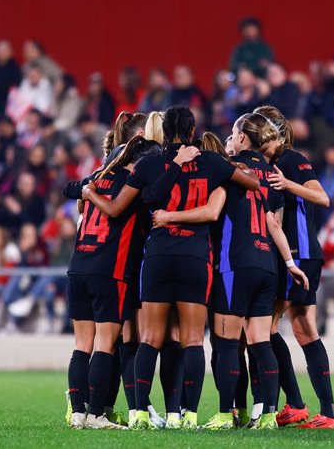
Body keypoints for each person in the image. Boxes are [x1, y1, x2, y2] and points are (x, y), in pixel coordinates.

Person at [81, 106, 259, 430]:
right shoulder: (210, 162)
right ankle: (187, 415)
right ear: (192, 130)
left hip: (158, 255)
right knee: (191, 340)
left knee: (149, 338)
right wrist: (225, 170)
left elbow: (144, 198)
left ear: (164, 129)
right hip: (195, 257)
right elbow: (252, 184)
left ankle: (137, 413)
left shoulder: (150, 163)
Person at [153, 116, 308, 430]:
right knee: (260, 342)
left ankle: (226, 413)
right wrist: (290, 265)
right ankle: (266, 416)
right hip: (267, 262)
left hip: (234, 263)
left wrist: (169, 216)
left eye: (234, 135)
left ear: (242, 138)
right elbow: (272, 222)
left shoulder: (227, 169)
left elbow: (211, 211)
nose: (231, 139)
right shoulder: (268, 172)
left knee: (226, 344)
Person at [63, 137, 160, 429]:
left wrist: (85, 192)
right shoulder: (134, 183)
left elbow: (71, 190)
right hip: (110, 270)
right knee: (105, 344)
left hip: (78, 265)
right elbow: (123, 212)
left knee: (82, 344)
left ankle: (78, 412)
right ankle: (96, 414)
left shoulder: (98, 177)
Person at [254, 105, 334, 429]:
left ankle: (297, 404)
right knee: (304, 331)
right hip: (296, 253)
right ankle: (324, 412)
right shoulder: (270, 163)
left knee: (266, 326)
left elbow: (322, 197)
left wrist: (288, 184)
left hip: (299, 251)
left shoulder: (292, 160)